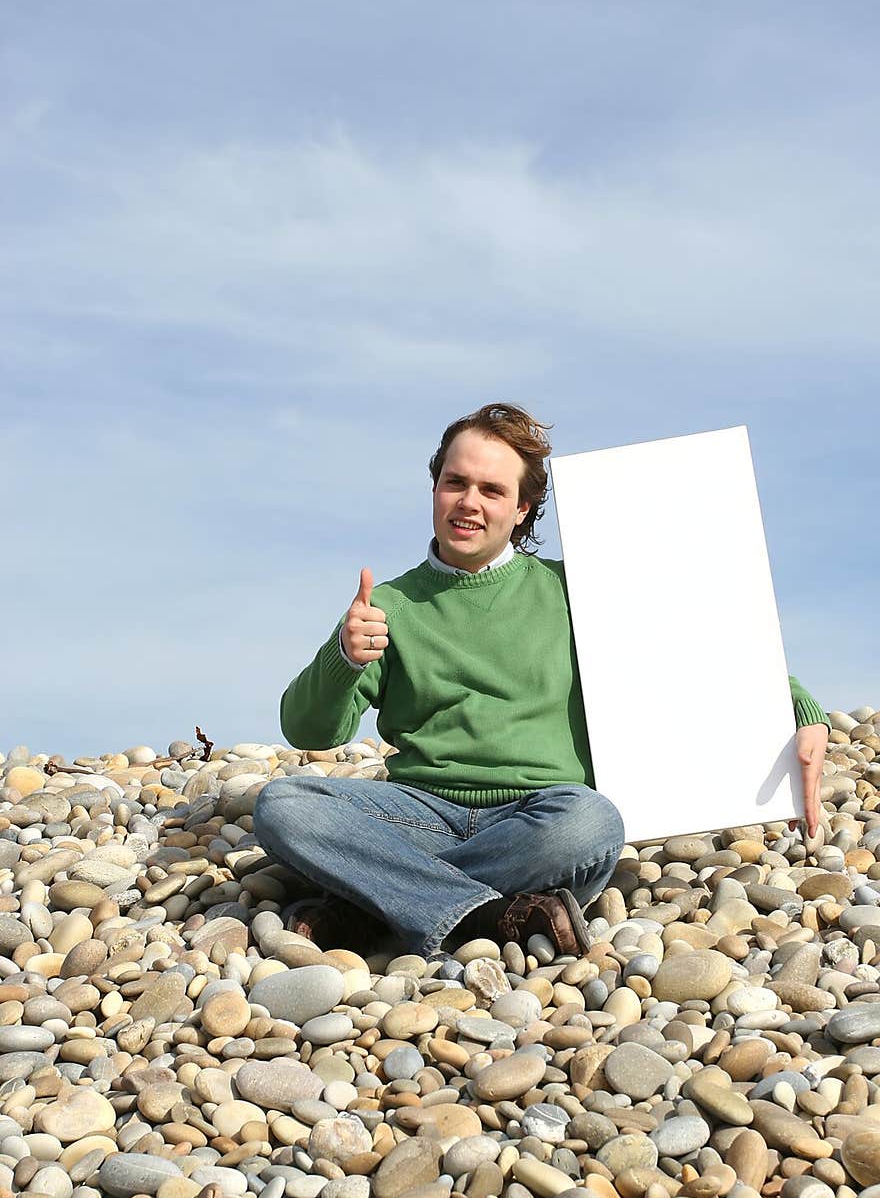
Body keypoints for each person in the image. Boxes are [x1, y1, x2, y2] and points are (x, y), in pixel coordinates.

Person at [252, 404, 830, 957]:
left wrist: (804, 713)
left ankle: (376, 902)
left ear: (523, 508)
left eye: (492, 490)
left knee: (592, 823)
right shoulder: (390, 606)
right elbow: (308, 729)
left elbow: (705, 650)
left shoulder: (574, 589)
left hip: (539, 814)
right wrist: (345, 657)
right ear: (434, 488)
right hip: (419, 813)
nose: (468, 503)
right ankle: (483, 914)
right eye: (455, 482)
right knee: (285, 803)